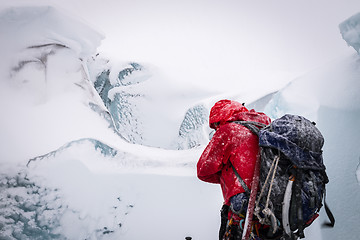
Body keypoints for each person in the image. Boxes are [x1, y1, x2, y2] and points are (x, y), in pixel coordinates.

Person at [197, 99, 271, 240]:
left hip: (243, 209)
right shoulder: (265, 125)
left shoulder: (228, 130)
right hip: (272, 207)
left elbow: (203, 170)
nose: (217, 128)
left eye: (216, 124)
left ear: (221, 117)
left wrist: (227, 175)